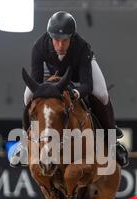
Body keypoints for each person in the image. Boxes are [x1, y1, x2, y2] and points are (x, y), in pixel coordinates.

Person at [10, 11, 129, 168]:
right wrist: (44, 91)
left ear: (71, 37)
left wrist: (75, 92)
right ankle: (25, 143)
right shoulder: (39, 47)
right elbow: (36, 80)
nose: (60, 45)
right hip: (54, 72)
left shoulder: (82, 47)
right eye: (56, 40)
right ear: (50, 37)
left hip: (80, 71)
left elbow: (87, 85)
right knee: (27, 96)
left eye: (65, 40)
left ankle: (113, 142)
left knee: (102, 94)